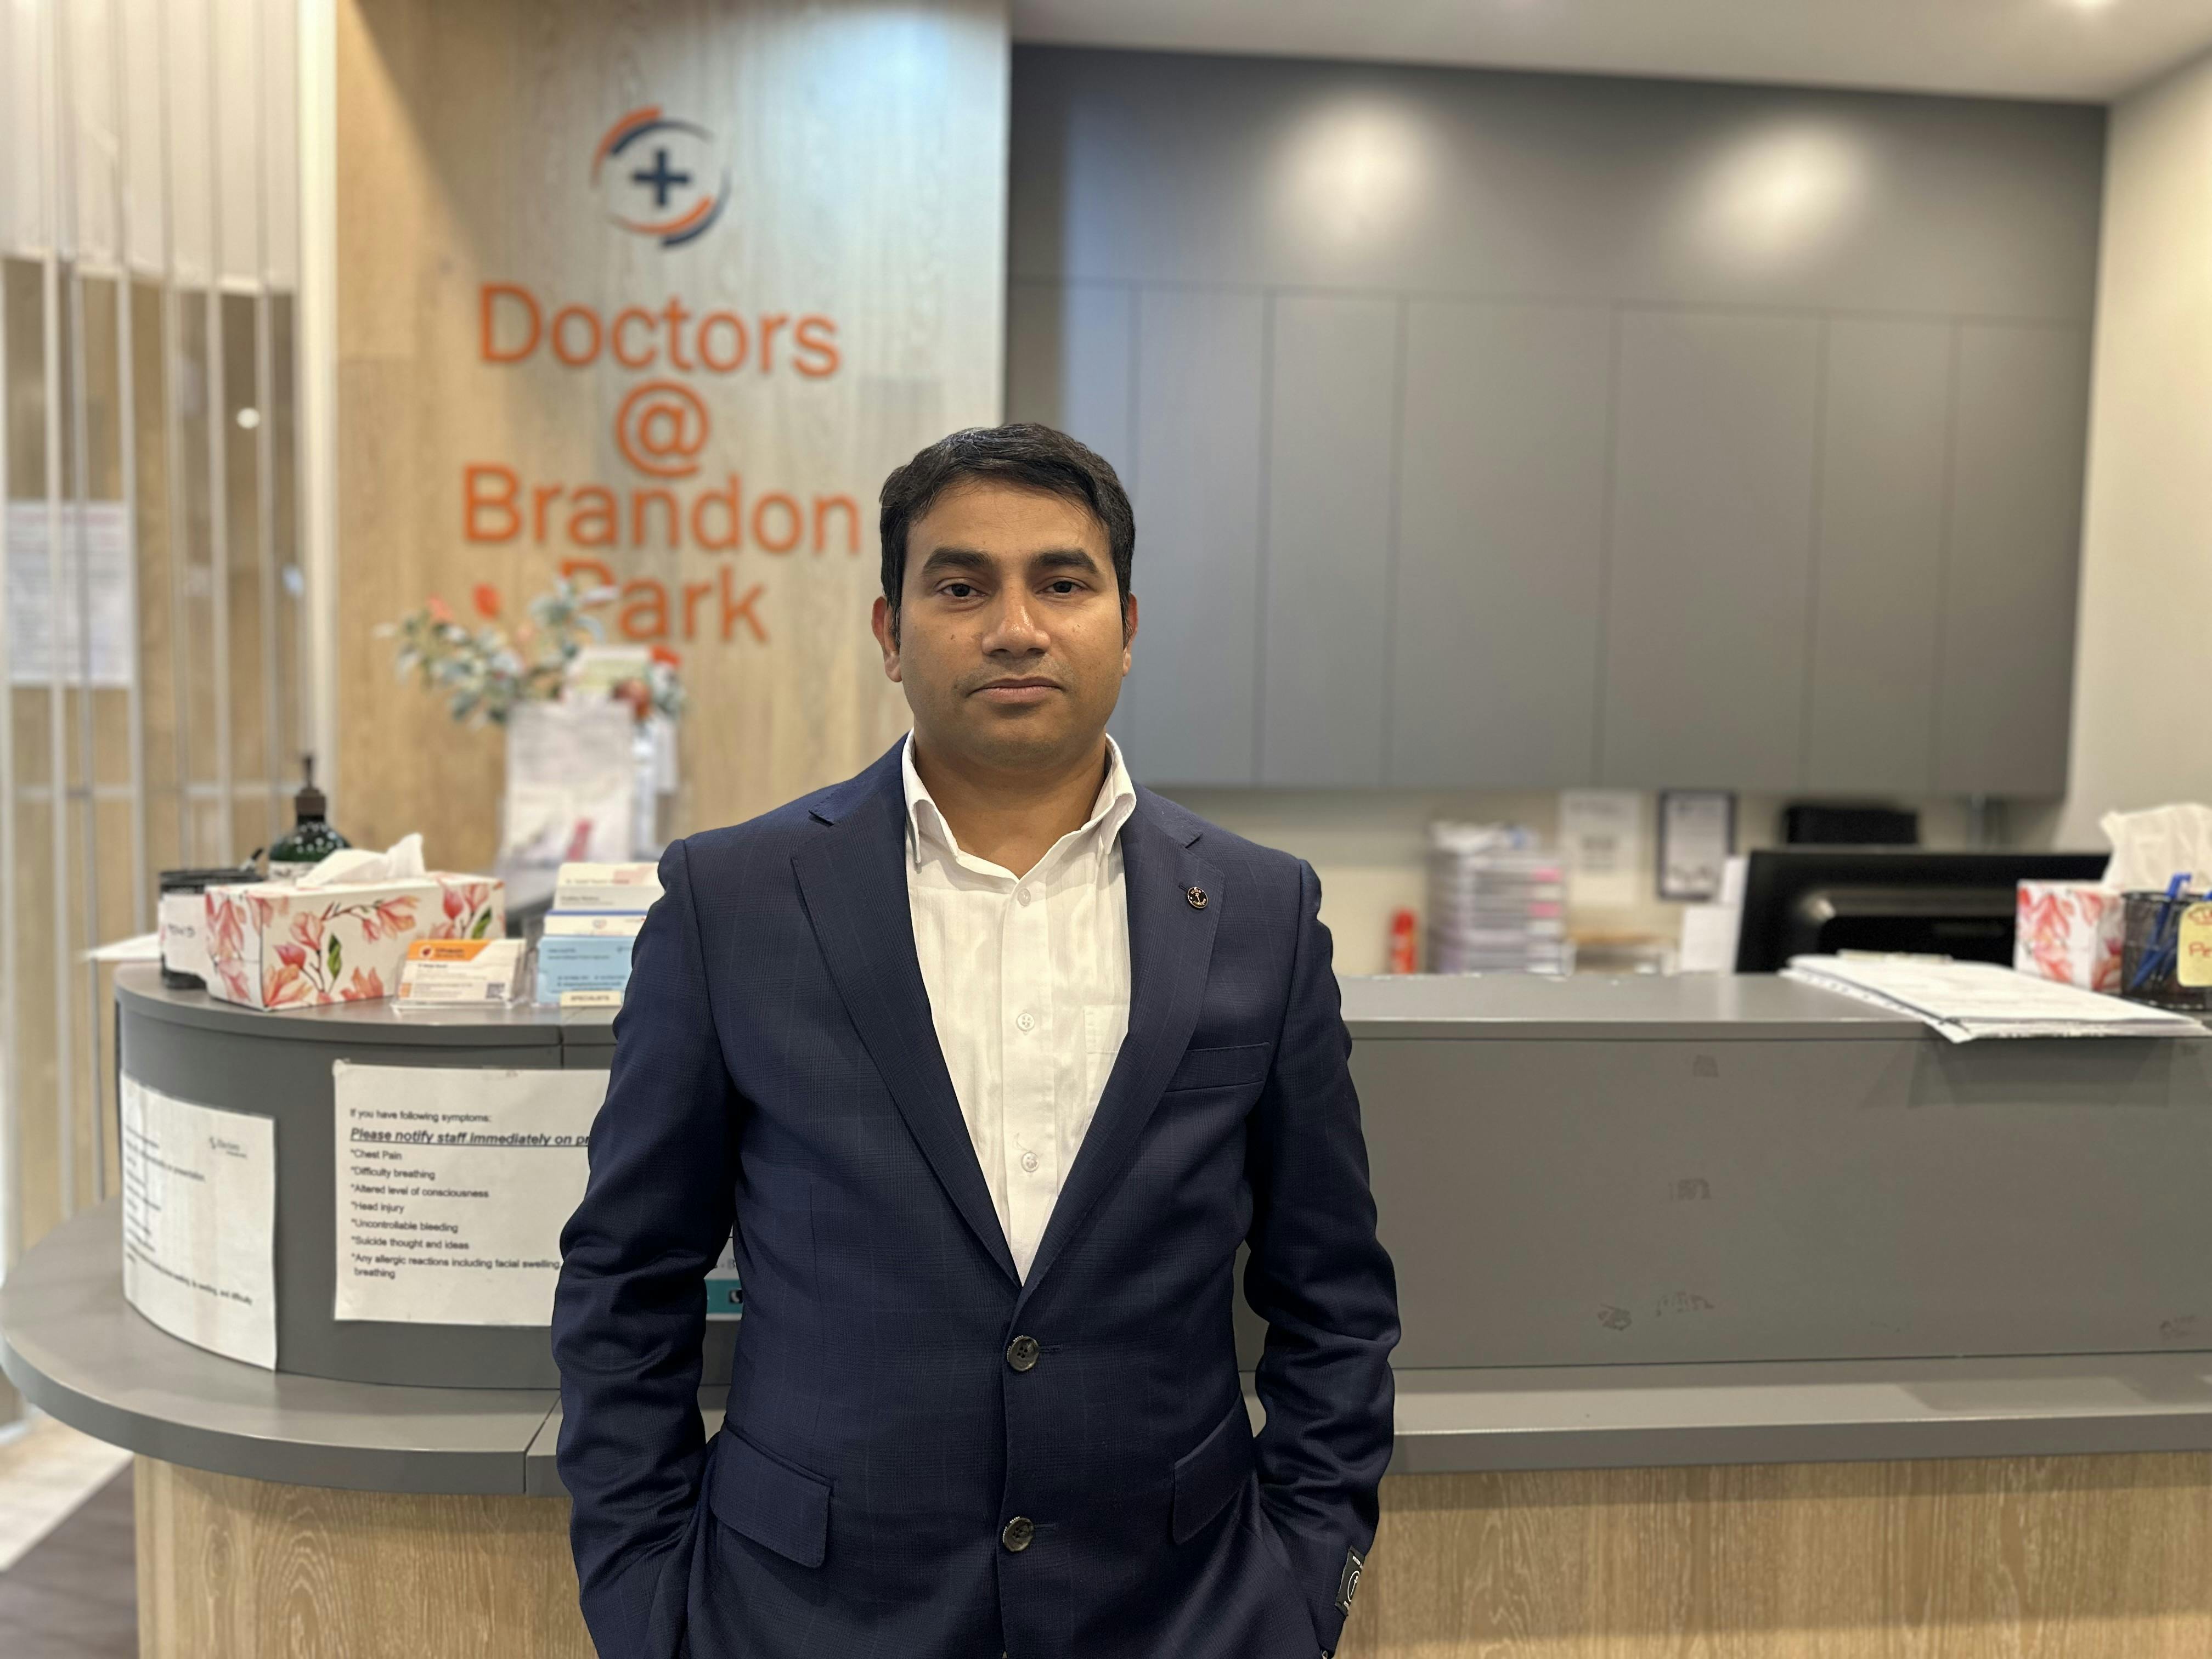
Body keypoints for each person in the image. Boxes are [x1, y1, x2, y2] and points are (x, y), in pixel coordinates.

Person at [551, 422, 1399, 1659]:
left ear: (1126, 625)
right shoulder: (730, 902)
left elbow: (1333, 1293)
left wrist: (1303, 1585)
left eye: (1063, 583)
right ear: (890, 633)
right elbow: (628, 1276)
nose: (1015, 627)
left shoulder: (1260, 912)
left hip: (1184, 1616)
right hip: (801, 1621)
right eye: (960, 587)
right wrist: (645, 1607)